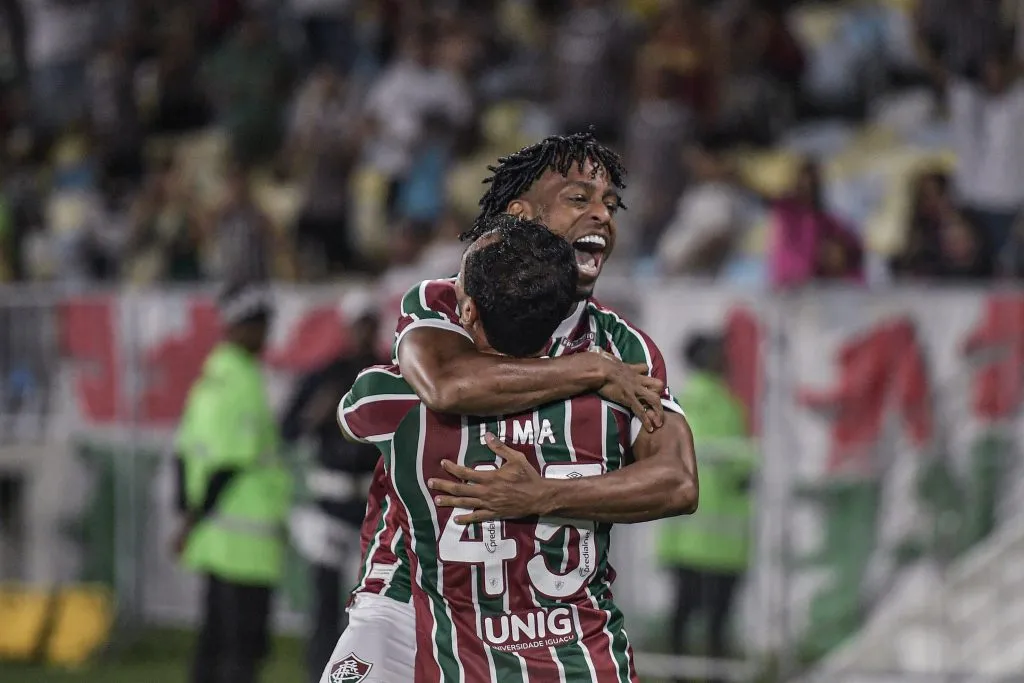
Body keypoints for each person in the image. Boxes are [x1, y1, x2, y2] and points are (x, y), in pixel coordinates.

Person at [325, 131, 698, 680]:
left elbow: (678, 482)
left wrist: (545, 495)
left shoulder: (627, 349)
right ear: (521, 212)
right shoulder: (448, 301)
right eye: (579, 199)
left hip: (557, 617)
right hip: (413, 597)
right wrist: (589, 371)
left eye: (610, 204)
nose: (601, 215)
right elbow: (447, 383)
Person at [173, 283, 293, 683]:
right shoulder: (241, 380)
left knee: (213, 645)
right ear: (242, 326)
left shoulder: (211, 376)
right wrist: (192, 520)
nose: (266, 334)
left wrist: (190, 518)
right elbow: (228, 463)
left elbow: (184, 451)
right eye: (261, 325)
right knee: (242, 652)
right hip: (245, 546)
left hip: (219, 537)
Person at [280, 289, 383, 683]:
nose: (364, 331)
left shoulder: (387, 374)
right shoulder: (324, 376)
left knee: (373, 605)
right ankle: (319, 673)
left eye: (369, 323)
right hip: (329, 502)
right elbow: (287, 430)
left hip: (375, 509)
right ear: (347, 326)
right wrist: (312, 415)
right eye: (359, 323)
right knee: (325, 603)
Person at [657, 332, 755, 683]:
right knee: (716, 624)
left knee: (681, 618)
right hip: (724, 541)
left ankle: (676, 677)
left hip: (683, 536)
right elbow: (741, 469)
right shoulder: (728, 406)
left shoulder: (675, 403)